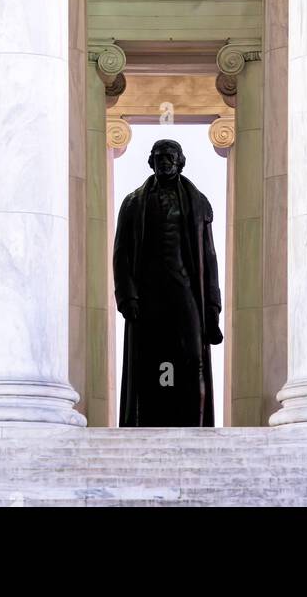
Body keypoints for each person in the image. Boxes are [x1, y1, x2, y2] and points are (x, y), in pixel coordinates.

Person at [113, 138, 223, 426]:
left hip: (185, 289)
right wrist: (127, 297)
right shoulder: (133, 202)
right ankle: (145, 421)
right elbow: (121, 253)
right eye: (159, 157)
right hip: (147, 293)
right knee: (147, 360)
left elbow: (209, 256)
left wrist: (212, 308)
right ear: (151, 162)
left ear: (180, 162)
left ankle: (196, 424)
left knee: (192, 356)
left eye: (170, 156)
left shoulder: (198, 203)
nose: (164, 161)